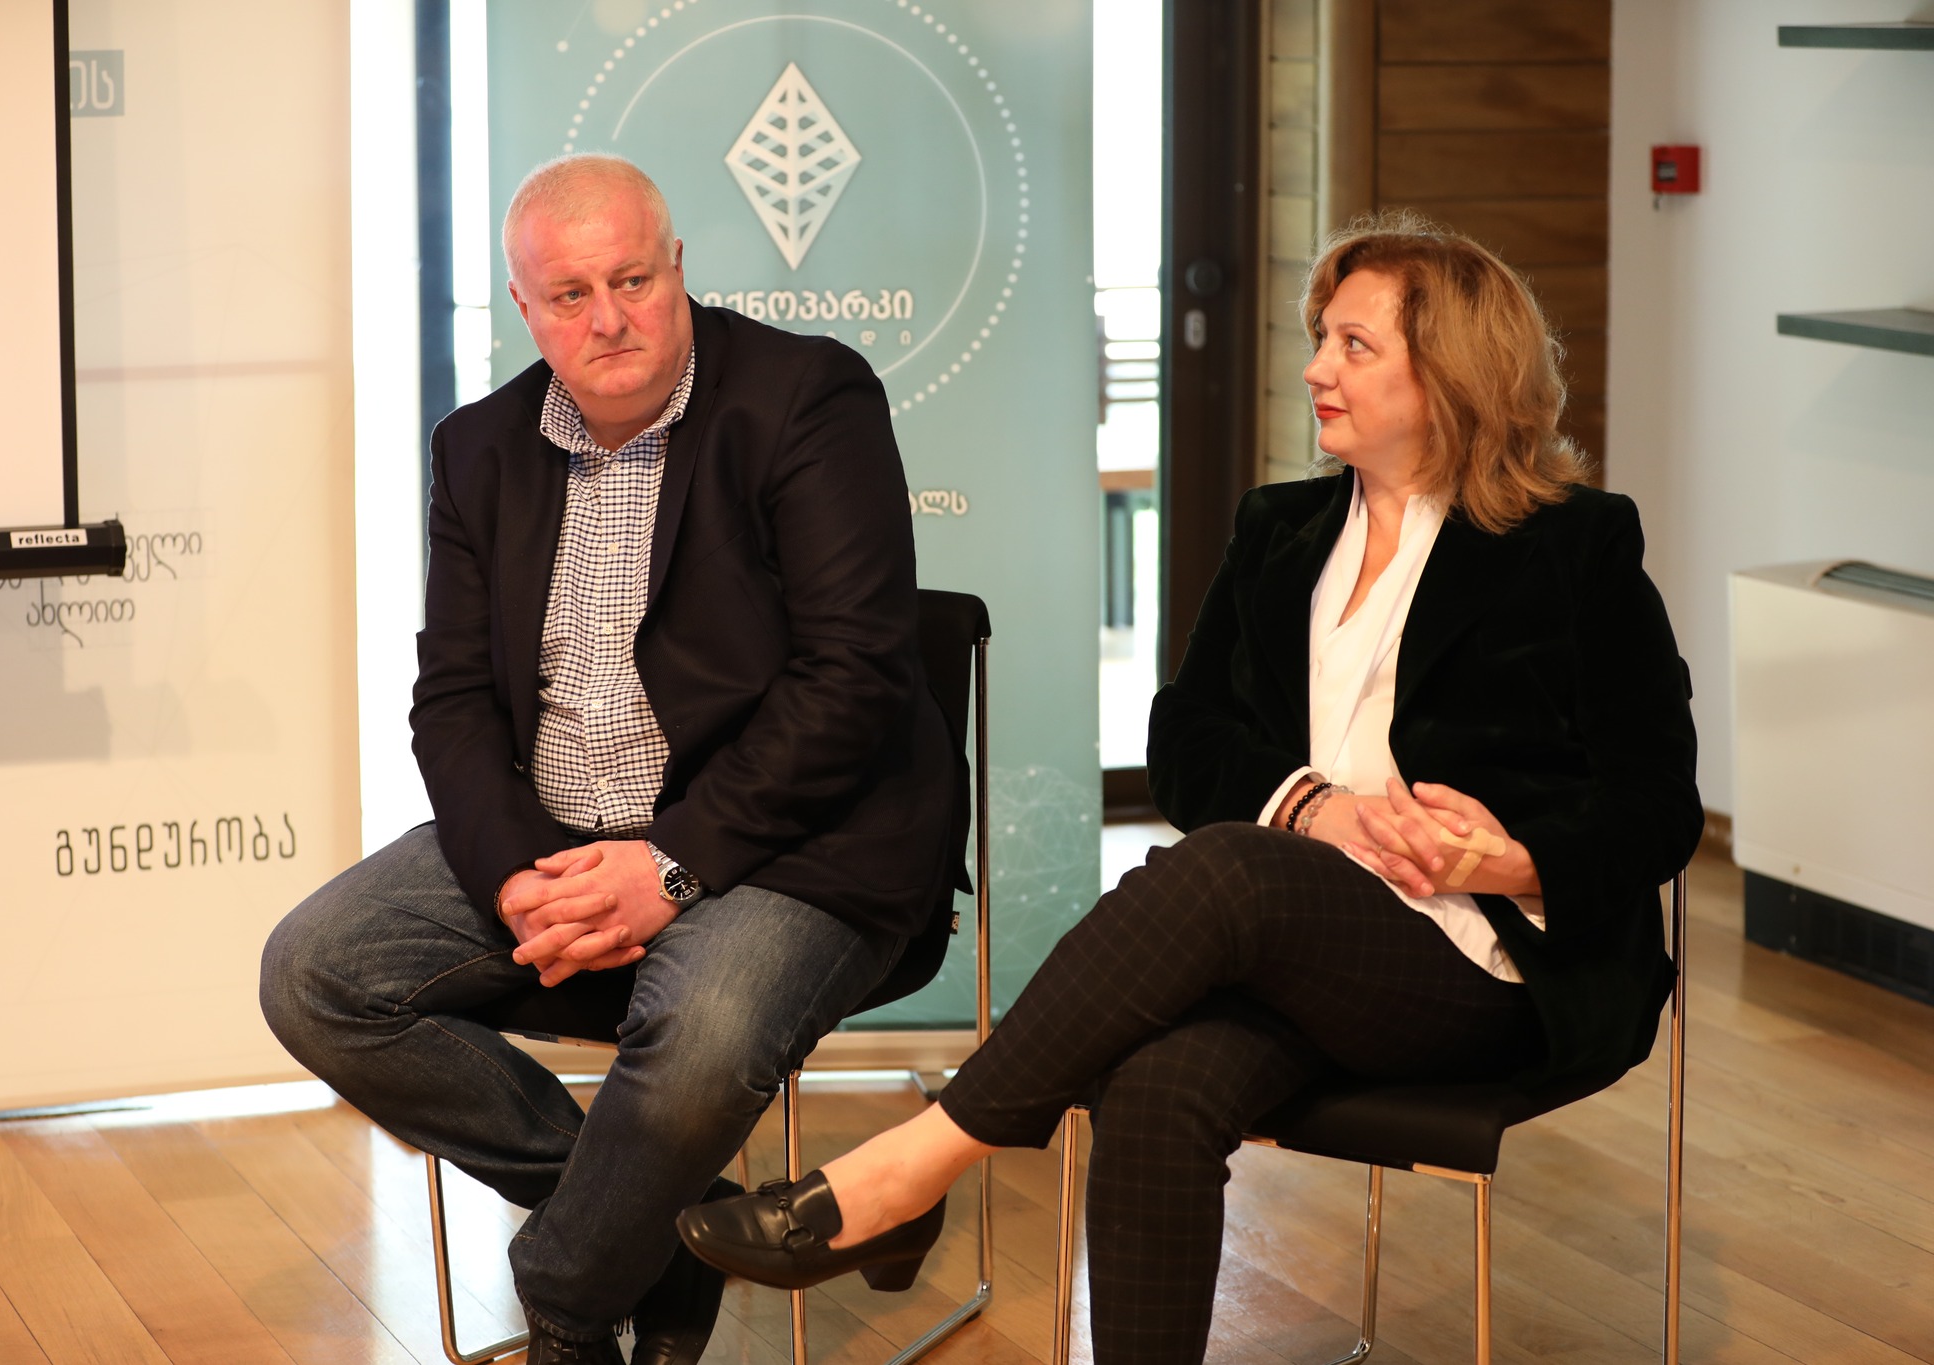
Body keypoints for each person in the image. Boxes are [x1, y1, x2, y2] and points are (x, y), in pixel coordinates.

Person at [676, 214, 1703, 1365]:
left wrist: (1509, 858)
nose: (1313, 369)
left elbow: (1656, 802)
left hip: (1485, 960)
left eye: (1353, 346)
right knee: (1156, 1086)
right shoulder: (1280, 530)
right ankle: (917, 1183)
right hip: (1304, 946)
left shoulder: (1571, 547)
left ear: (1451, 373)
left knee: (1229, 870)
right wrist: (1316, 809)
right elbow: (1184, 741)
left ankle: (910, 1169)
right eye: (1319, 339)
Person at [259, 155, 960, 1365]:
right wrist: (512, 876)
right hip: (557, 832)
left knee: (700, 1038)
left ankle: (569, 1294)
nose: (608, 319)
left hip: (786, 846)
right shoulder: (478, 447)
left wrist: (670, 864)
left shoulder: (805, 397)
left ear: (677, 268)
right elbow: (453, 699)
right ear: (524, 309)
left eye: (632, 280)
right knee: (315, 974)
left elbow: (853, 677)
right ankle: (672, 1231)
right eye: (570, 295)